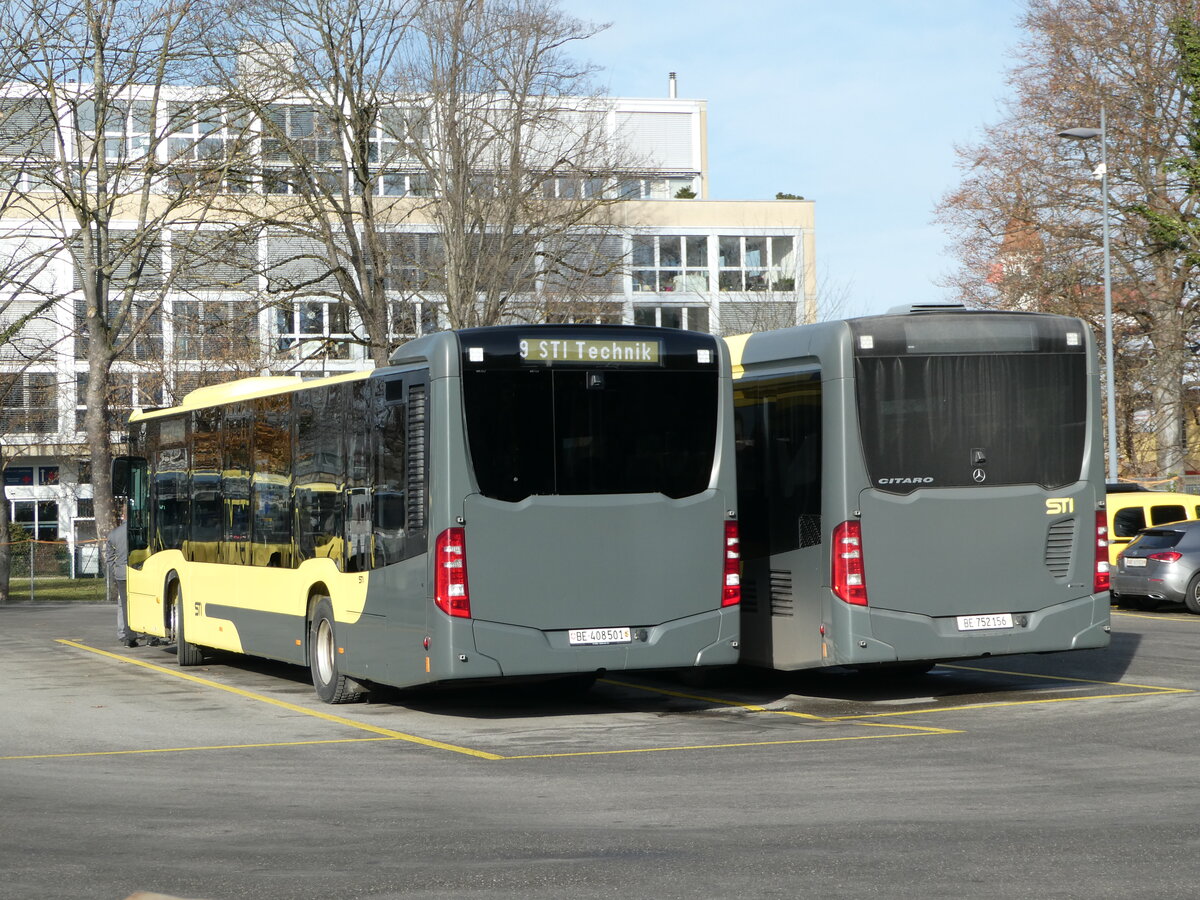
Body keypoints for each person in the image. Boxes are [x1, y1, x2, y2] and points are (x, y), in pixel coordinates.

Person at [106, 504, 137, 647]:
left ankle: (128, 637)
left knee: (125, 605)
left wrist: (116, 569)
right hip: (137, 572)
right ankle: (150, 636)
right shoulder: (137, 532)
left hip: (122, 574)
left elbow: (109, 557)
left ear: (123, 515)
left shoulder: (113, 534)